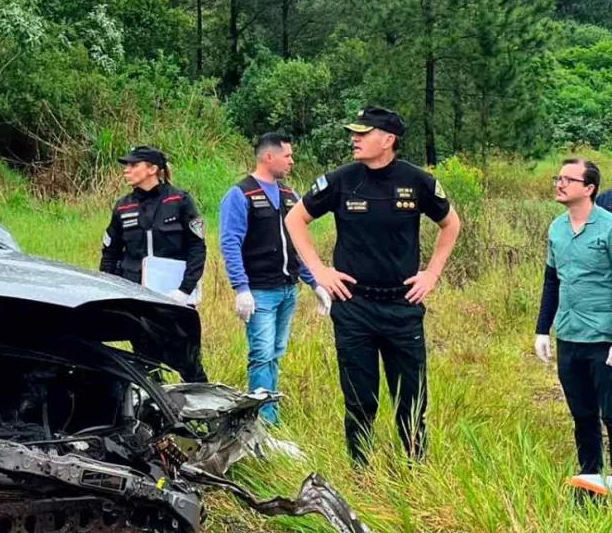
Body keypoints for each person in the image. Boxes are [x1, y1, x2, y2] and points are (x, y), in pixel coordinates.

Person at [284, 107, 462, 465]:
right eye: (354, 133)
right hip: (354, 306)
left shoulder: (418, 181)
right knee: (359, 400)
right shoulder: (342, 180)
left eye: (363, 133)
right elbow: (295, 218)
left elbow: (451, 224)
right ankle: (361, 471)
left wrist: (431, 274)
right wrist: (319, 269)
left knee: (411, 399)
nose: (355, 139)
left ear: (388, 139)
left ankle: (415, 469)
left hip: (402, 307)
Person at [219, 132, 332, 425]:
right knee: (261, 354)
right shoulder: (241, 194)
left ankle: (270, 409)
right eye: (288, 156)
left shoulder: (289, 195)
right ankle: (263, 420)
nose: (292, 161)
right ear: (269, 157)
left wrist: (314, 283)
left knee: (276, 353)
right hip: (259, 290)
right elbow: (230, 242)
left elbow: (296, 244)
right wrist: (240, 288)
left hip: (287, 289)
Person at [100, 145, 209, 382]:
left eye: (133, 165)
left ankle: (201, 408)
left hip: (173, 299)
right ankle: (155, 413)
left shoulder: (179, 200)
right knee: (145, 365)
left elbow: (197, 248)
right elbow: (110, 253)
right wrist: (108, 290)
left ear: (152, 169)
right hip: (137, 299)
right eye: (126, 165)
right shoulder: (123, 206)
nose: (126, 170)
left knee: (188, 363)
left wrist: (185, 290)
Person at [534, 158, 612, 479]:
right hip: (569, 336)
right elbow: (552, 280)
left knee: (611, 416)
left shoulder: (608, 226)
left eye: (568, 179)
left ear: (589, 189)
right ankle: (591, 479)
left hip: (603, 338)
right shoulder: (557, 228)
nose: (560, 184)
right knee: (582, 416)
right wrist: (542, 329)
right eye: (558, 178)